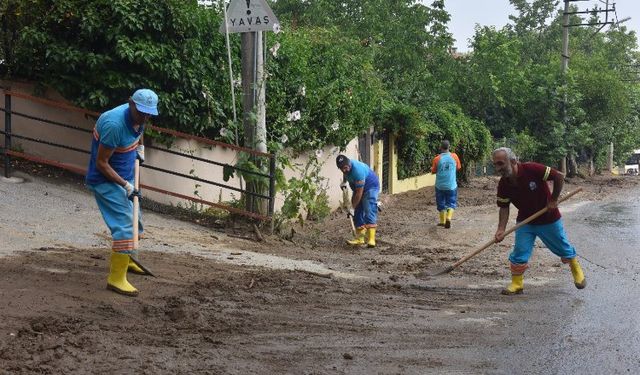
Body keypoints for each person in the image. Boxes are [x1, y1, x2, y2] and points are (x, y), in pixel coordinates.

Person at [85, 89, 159, 297]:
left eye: (149, 114)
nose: (145, 117)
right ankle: (115, 279)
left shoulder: (142, 117)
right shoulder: (114, 125)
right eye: (142, 112)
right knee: (126, 226)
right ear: (130, 103)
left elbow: (139, 129)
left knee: (137, 222)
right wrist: (126, 186)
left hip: (125, 175)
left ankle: (128, 260)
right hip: (106, 180)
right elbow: (101, 163)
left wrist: (140, 149)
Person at [492, 147, 586, 295]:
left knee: (562, 248)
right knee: (519, 251)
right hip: (526, 222)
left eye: (500, 164)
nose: (498, 169)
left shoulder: (532, 169)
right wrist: (501, 229)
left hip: (549, 219)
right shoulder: (503, 184)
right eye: (495, 165)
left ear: (513, 161)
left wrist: (553, 199)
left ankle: (575, 268)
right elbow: (503, 207)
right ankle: (517, 284)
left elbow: (559, 176)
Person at [336, 154, 380, 248]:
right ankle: (360, 239)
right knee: (357, 212)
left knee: (369, 208)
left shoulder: (358, 171)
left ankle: (371, 239)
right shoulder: (346, 168)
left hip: (370, 187)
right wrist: (344, 182)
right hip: (358, 188)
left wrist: (352, 207)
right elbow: (346, 174)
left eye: (345, 168)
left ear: (349, 164)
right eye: (341, 169)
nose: (344, 170)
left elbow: (359, 193)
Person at [431, 140, 461, 228]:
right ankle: (448, 217)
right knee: (451, 202)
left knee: (441, 203)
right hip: (452, 185)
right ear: (449, 147)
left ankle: (442, 221)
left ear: (440, 147)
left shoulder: (437, 159)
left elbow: (433, 171)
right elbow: (458, 167)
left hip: (439, 185)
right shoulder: (454, 156)